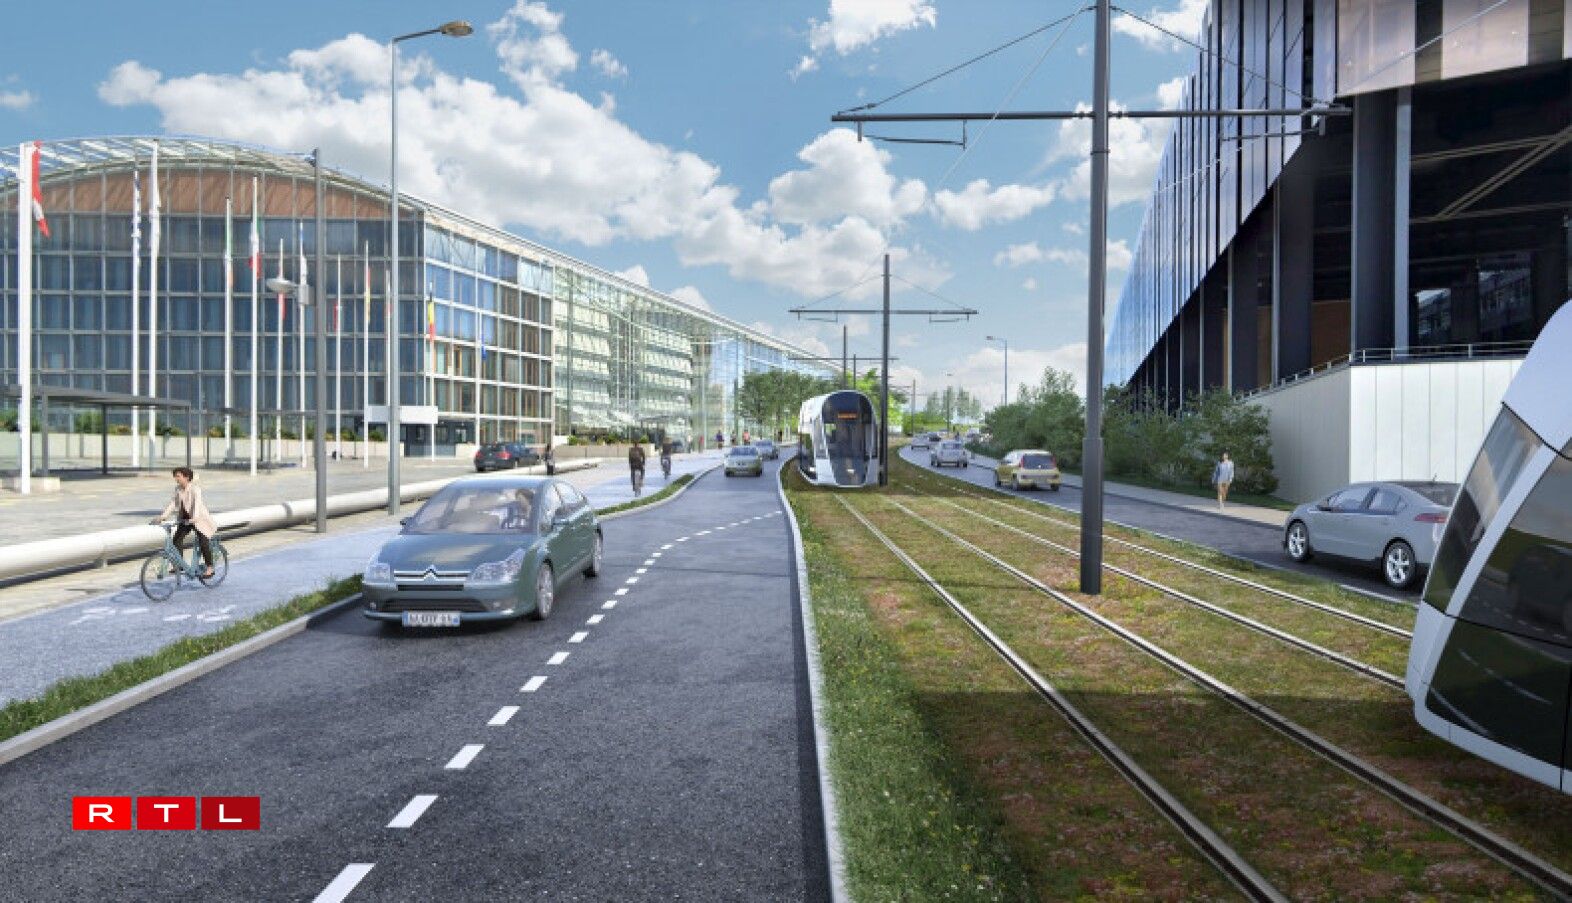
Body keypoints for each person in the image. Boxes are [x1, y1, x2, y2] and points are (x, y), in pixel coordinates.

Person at [151, 466, 217, 578]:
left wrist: (194, 518)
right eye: (175, 476)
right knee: (176, 540)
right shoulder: (178, 489)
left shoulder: (195, 489)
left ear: (186, 477)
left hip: (199, 520)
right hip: (186, 519)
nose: (176, 478)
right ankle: (180, 565)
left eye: (178, 476)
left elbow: (196, 504)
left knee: (203, 542)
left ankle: (210, 567)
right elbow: (173, 503)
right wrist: (163, 516)